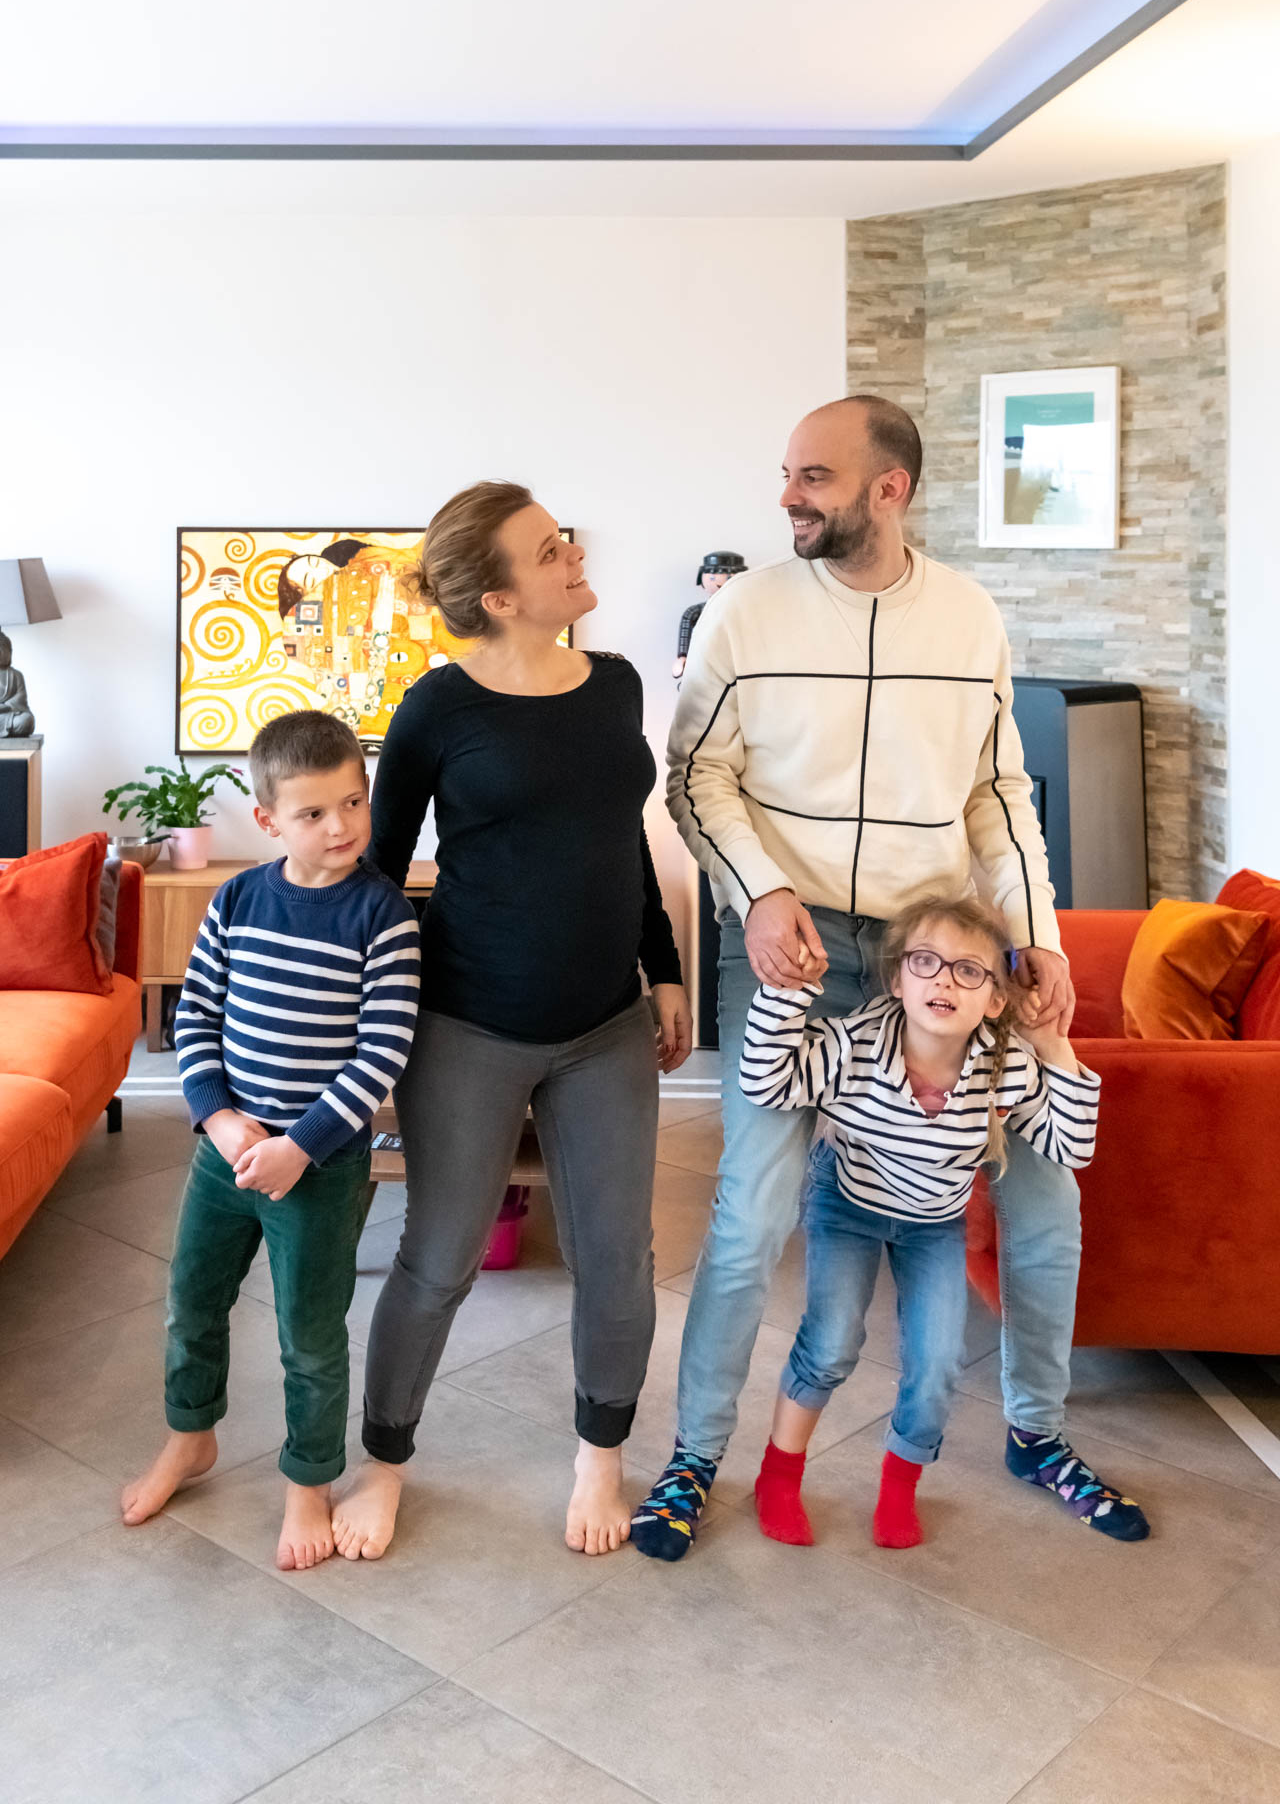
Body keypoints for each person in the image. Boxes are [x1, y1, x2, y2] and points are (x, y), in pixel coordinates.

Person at [630, 393, 1149, 1560]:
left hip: (938, 943)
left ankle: (1034, 1430)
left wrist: (1040, 935)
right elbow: (693, 777)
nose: (785, 497)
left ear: (887, 488)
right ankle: (694, 1459)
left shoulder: (967, 619)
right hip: (784, 934)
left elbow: (995, 794)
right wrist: (758, 892)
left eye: (810, 476)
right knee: (749, 1214)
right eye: (784, 474)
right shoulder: (745, 613)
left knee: (1041, 1200)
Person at [331, 481, 692, 1564]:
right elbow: (382, 873)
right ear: (497, 596)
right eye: (546, 551)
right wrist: (363, 1021)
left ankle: (598, 1456)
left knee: (617, 1259)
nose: (572, 553)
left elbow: (621, 839)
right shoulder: (438, 710)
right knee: (437, 1260)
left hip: (603, 1026)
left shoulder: (617, 686)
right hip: (467, 1024)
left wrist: (663, 972)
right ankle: (383, 1464)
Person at [121, 711, 421, 1570]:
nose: (342, 827)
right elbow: (198, 1018)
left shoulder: (384, 915)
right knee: (193, 1301)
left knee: (311, 1336)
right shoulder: (238, 899)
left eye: (354, 803)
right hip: (224, 1156)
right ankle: (190, 1436)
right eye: (315, 813)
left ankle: (307, 1482)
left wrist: (301, 1147)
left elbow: (382, 1052)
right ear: (268, 821)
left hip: (318, 1172)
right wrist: (219, 1119)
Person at [743, 894, 1116, 1549]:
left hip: (933, 1223)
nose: (944, 979)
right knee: (830, 1344)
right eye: (925, 962)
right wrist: (787, 996)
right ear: (896, 980)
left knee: (938, 1361)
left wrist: (1053, 1045)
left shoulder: (1003, 1067)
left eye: (968, 971)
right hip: (848, 1204)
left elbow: (1071, 1147)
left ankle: (897, 1489)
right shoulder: (853, 1041)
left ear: (995, 1000)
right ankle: (778, 1475)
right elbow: (766, 1084)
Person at [673, 552, 747, 680]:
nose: (720, 583)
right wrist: (682, 657)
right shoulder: (695, 611)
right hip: (704, 664)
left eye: (729, 578)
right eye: (712, 578)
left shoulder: (746, 611)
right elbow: (686, 629)